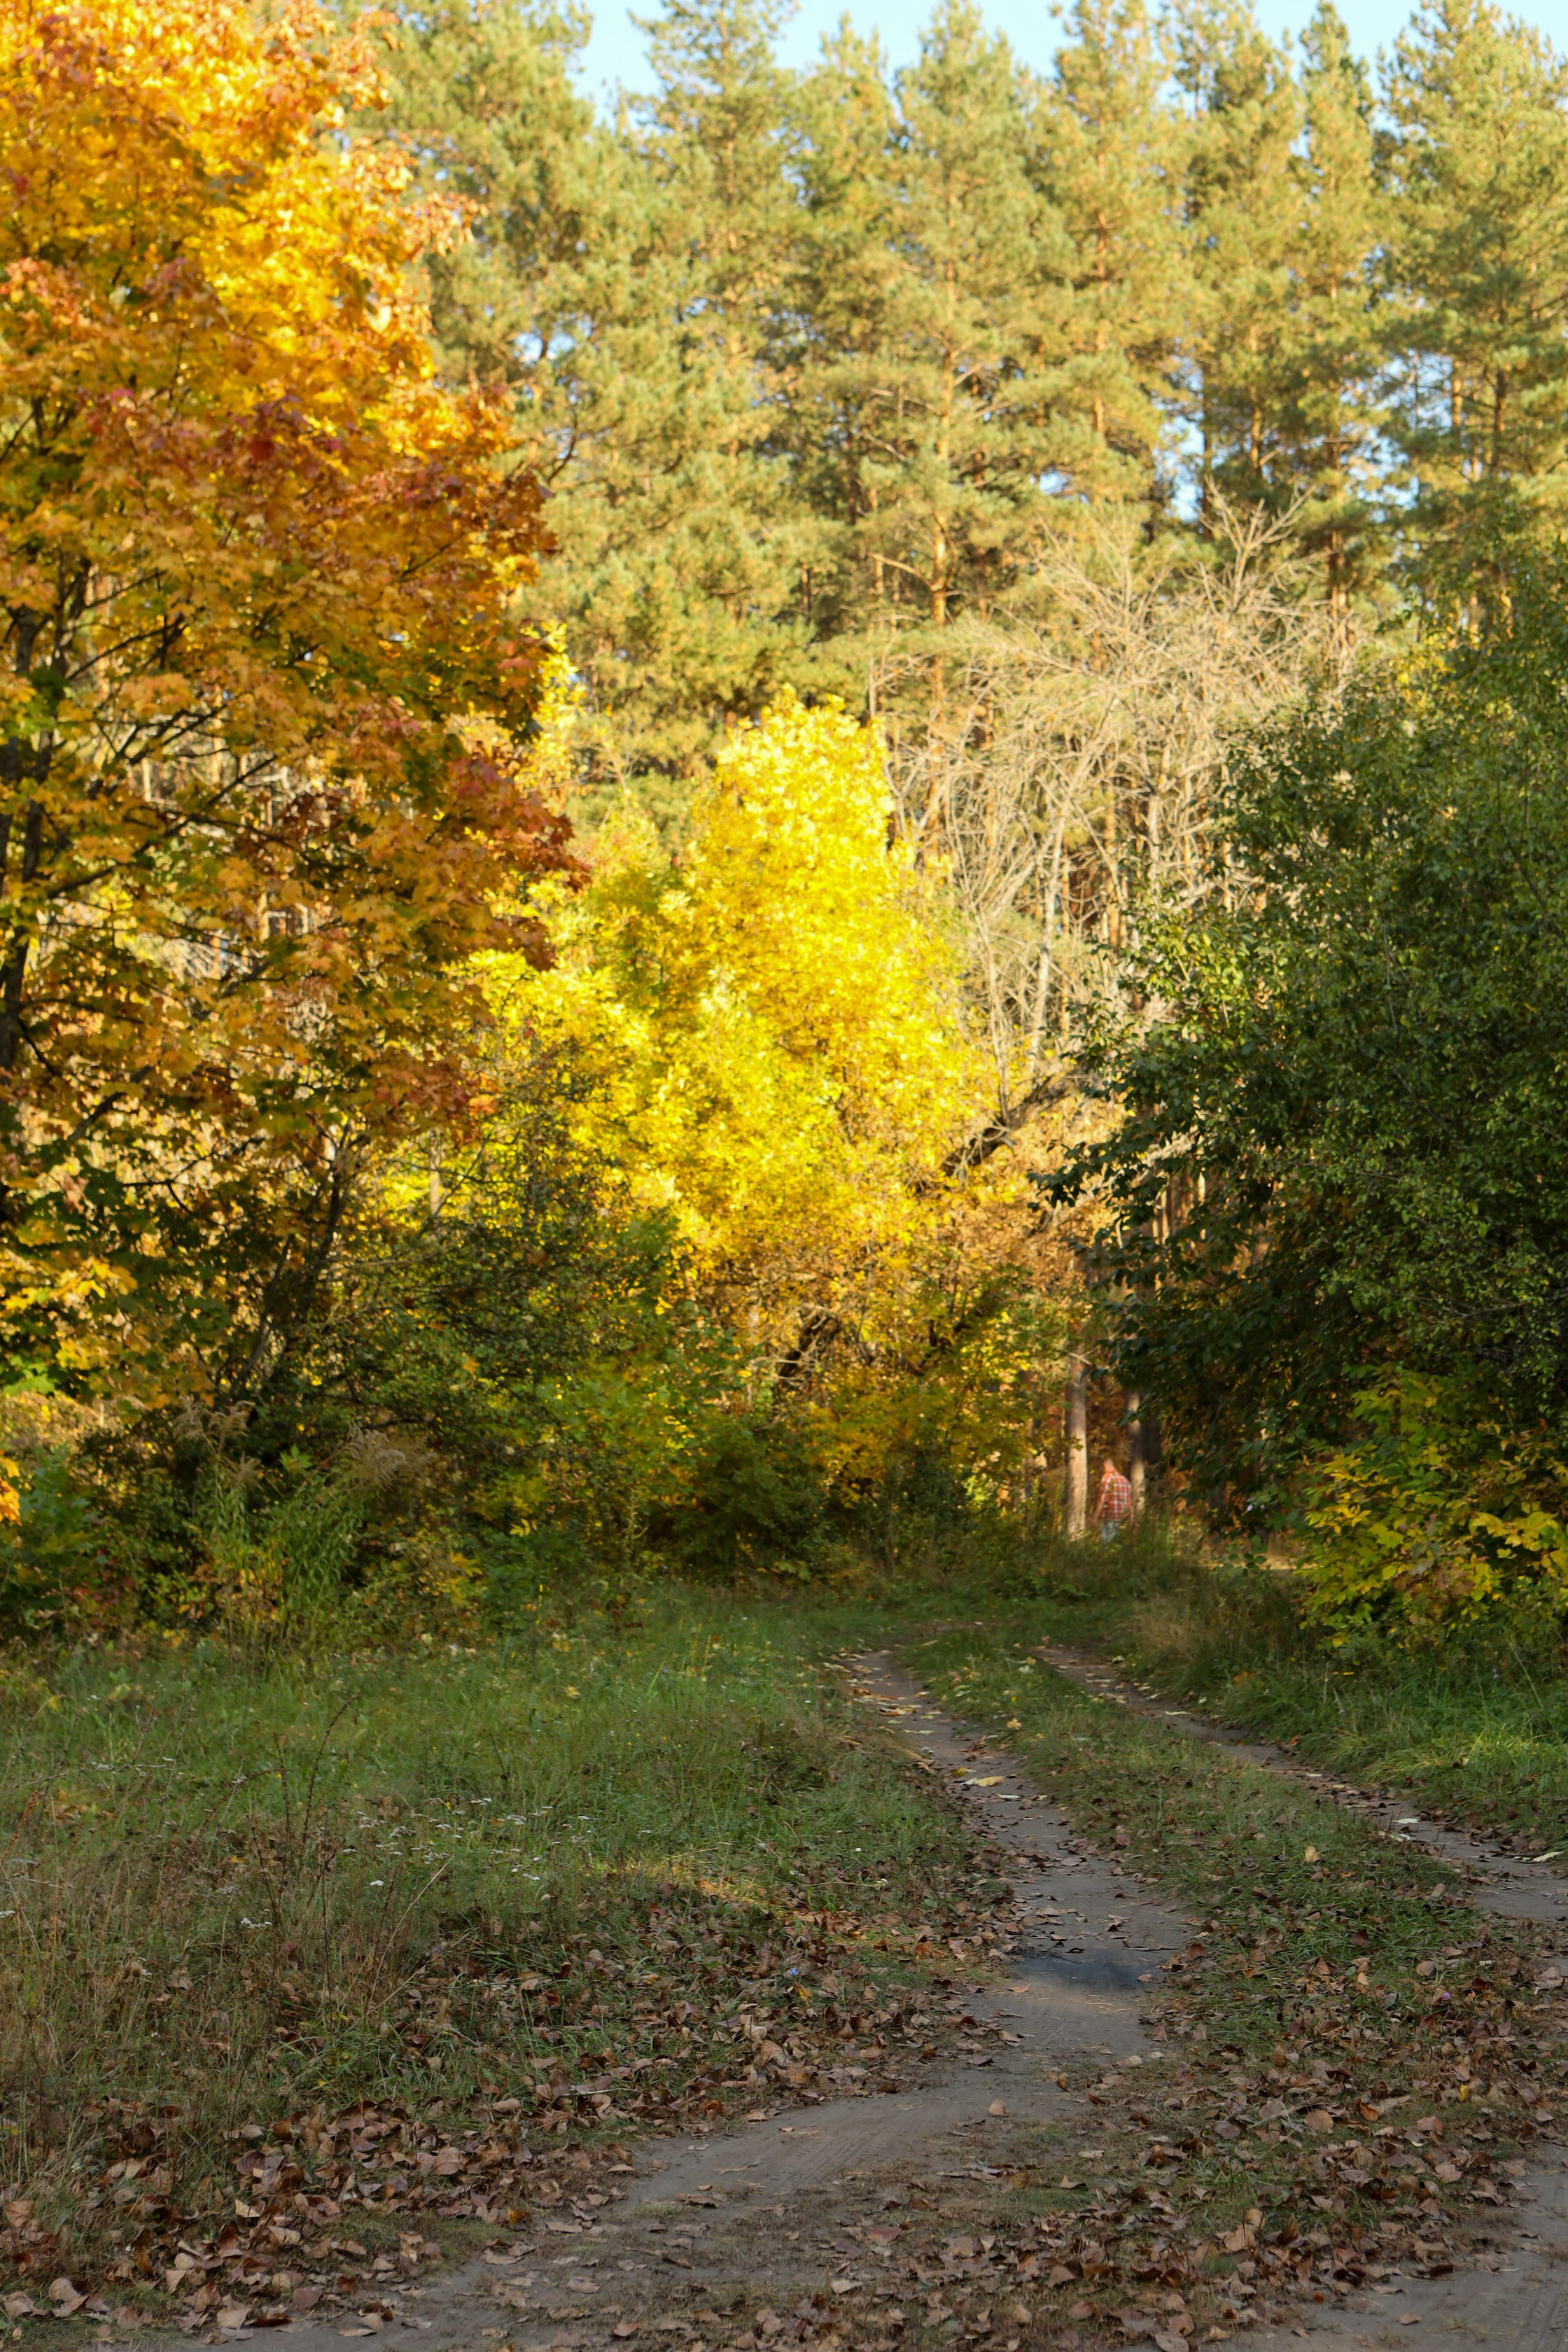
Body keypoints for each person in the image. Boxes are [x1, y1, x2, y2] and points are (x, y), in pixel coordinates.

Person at [1094, 1455, 1132, 1540]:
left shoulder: (1107, 1478)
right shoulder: (1125, 1481)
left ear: (1104, 1466)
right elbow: (1130, 1501)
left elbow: (1102, 1499)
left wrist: (1095, 1517)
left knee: (1108, 1542)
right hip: (1123, 1518)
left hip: (1110, 1517)